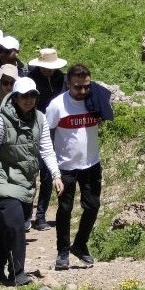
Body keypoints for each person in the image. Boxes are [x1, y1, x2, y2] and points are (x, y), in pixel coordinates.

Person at [0, 77, 63, 286]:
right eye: (24, 96)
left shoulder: (40, 119)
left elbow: (47, 149)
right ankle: (17, 273)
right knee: (15, 225)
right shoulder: (2, 121)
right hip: (2, 178)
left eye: (32, 95)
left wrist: (56, 175)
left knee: (7, 229)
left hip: (25, 181)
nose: (28, 100)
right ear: (15, 98)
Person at [45, 63, 102, 270]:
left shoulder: (94, 101)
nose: (83, 91)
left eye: (86, 86)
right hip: (65, 166)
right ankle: (62, 252)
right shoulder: (57, 105)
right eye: (78, 87)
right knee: (65, 209)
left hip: (91, 163)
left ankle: (80, 244)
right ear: (68, 84)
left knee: (93, 206)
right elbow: (46, 135)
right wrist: (51, 167)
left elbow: (105, 116)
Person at [28, 48, 68, 231]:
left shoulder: (63, 80)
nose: (47, 70)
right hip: (33, 128)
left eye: (50, 67)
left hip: (57, 130)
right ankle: (26, 213)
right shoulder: (31, 80)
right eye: (44, 67)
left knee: (47, 173)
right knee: (30, 172)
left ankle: (40, 214)